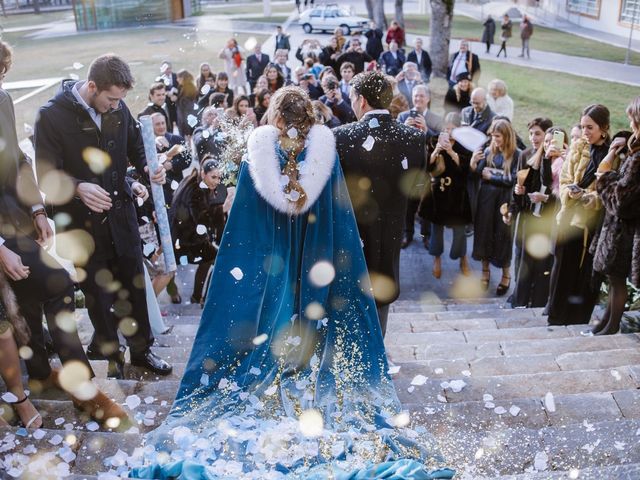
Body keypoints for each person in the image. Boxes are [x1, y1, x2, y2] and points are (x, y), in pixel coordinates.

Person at [130, 85, 454, 480]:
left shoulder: (257, 159)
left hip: (273, 274)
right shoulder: (327, 158)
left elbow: (243, 238)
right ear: (309, 119)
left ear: (277, 119)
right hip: (317, 273)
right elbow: (339, 225)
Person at [1, 44, 126, 424]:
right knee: (57, 282)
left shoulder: (3, 99)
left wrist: (38, 208)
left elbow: (19, 160)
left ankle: (40, 374)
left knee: (35, 297)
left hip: (17, 217)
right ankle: (82, 388)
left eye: (3, 71)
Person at [34, 54, 173, 379]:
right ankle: (113, 356)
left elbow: (136, 147)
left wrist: (150, 168)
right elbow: (44, 175)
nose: (115, 106)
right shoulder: (51, 116)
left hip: (121, 218)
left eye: (120, 100)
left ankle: (141, 351)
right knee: (98, 297)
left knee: (134, 287)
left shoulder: (117, 107)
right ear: (92, 86)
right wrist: (78, 187)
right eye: (111, 99)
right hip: (80, 228)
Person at [335, 71, 426, 335]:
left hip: (351, 238)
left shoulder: (340, 136)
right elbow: (417, 190)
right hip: (389, 235)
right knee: (380, 300)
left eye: (352, 98)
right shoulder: (414, 138)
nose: (351, 104)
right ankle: (377, 350)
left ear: (362, 101)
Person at [547, 104, 611, 325]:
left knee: (585, 275)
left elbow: (608, 192)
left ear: (604, 128)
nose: (585, 132)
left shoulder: (613, 154)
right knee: (562, 271)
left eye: (590, 127)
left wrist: (588, 197)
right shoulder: (576, 146)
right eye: (583, 126)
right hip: (569, 217)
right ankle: (555, 319)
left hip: (592, 223)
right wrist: (570, 193)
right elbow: (564, 180)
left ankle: (577, 320)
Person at [589, 98, 640, 335]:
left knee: (617, 280)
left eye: (632, 118)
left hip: (624, 229)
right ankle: (605, 324)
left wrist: (605, 177)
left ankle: (610, 328)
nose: (630, 122)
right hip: (621, 227)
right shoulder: (635, 149)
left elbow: (620, 200)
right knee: (613, 279)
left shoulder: (638, 159)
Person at [509, 127, 566, 308]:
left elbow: (561, 198)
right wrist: (520, 192)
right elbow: (521, 195)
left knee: (542, 266)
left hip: (548, 224)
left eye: (553, 141)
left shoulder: (564, 165)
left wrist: (546, 198)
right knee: (526, 263)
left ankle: (538, 303)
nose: (549, 145)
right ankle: (520, 301)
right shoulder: (535, 162)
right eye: (547, 142)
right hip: (531, 219)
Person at [418, 112, 472, 278]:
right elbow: (426, 167)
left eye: (452, 128)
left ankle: (462, 257)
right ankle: (437, 258)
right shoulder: (435, 140)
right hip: (438, 192)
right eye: (446, 128)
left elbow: (466, 169)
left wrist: (450, 152)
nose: (448, 132)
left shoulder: (464, 144)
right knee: (437, 228)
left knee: (459, 229)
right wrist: (436, 151)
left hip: (457, 193)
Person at [471, 118, 520, 296]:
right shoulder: (488, 150)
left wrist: (492, 176)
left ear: (506, 136)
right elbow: (479, 172)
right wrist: (474, 163)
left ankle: (506, 275)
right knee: (484, 234)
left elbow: (513, 179)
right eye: (492, 136)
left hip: (504, 202)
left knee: (502, 237)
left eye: (498, 136)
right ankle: (485, 272)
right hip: (485, 200)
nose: (495, 140)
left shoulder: (517, 154)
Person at [170, 159, 226, 305]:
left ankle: (193, 296)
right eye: (213, 177)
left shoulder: (194, 182)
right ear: (203, 173)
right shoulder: (196, 190)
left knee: (170, 267)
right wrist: (222, 209)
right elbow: (201, 219)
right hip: (184, 237)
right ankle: (200, 298)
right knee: (213, 258)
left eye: (219, 177)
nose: (217, 181)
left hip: (182, 234)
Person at [151, 112, 191, 206]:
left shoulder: (176, 139)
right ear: (151, 126)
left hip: (176, 185)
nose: (161, 126)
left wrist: (172, 165)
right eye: (157, 124)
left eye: (162, 123)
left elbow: (188, 159)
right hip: (157, 189)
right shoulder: (147, 145)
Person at [175, 69, 198, 139]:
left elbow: (187, 102)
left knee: (188, 135)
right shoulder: (181, 87)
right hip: (182, 115)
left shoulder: (190, 87)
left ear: (182, 78)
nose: (177, 80)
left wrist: (176, 99)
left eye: (178, 78)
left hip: (187, 115)